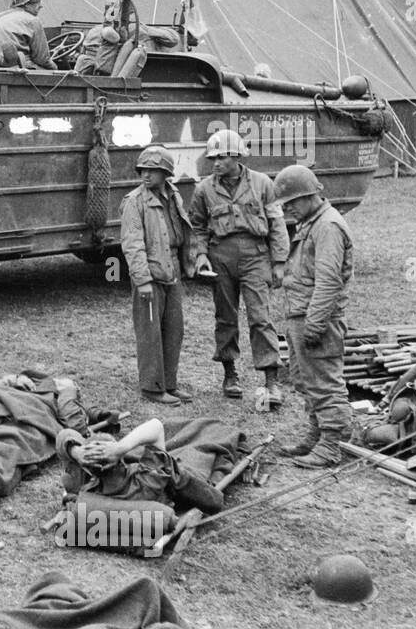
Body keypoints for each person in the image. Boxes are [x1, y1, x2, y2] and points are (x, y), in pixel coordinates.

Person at [189, 129, 290, 406]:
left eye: (221, 157)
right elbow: (197, 228)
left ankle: (271, 381)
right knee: (225, 317)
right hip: (220, 256)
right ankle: (229, 374)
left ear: (236, 156)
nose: (216, 163)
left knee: (260, 317)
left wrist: (279, 262)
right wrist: (200, 257)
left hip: (255, 255)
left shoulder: (261, 184)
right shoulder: (204, 190)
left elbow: (276, 223)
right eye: (213, 158)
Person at [274, 164, 354, 467]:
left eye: (292, 202)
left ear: (309, 195)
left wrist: (316, 324)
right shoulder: (312, 221)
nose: (289, 209)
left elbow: (329, 280)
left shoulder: (328, 226)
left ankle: (331, 445)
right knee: (305, 379)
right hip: (301, 314)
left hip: (315, 318)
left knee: (324, 381)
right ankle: (316, 434)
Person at [120, 145, 197, 405]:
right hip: (150, 274)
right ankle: (152, 388)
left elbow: (182, 230)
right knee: (150, 332)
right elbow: (132, 244)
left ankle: (170, 384)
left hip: (172, 269)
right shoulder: (134, 202)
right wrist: (141, 281)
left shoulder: (173, 196)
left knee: (174, 329)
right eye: (143, 170)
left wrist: (189, 262)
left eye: (153, 170)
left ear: (166, 174)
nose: (146, 175)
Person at [56, 418, 224, 513]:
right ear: (119, 459)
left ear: (86, 468)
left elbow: (63, 436)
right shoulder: (147, 481)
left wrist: (78, 453)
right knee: (203, 439)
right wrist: (121, 448)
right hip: (181, 479)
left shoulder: (89, 490)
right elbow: (156, 427)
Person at [0, 0, 55, 70]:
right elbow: (42, 59)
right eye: (37, 2)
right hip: (22, 67)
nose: (40, 6)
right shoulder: (32, 20)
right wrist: (55, 67)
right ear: (27, 4)